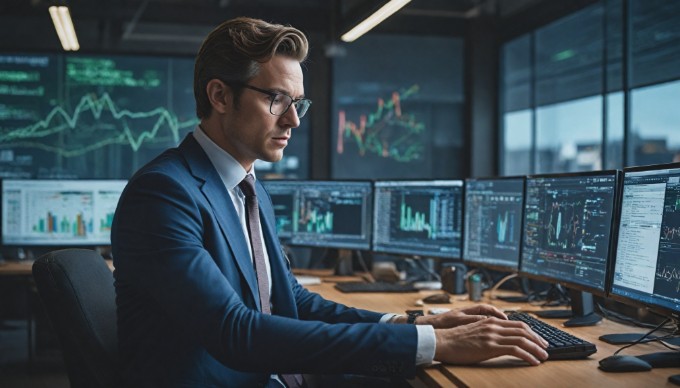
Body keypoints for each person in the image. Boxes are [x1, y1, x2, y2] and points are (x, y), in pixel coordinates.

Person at [111, 17, 548, 387]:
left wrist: (415, 326)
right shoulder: (164, 194)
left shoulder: (249, 186)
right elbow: (235, 332)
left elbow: (293, 302)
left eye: (298, 102)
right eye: (276, 99)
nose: (294, 119)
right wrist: (435, 346)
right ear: (220, 96)